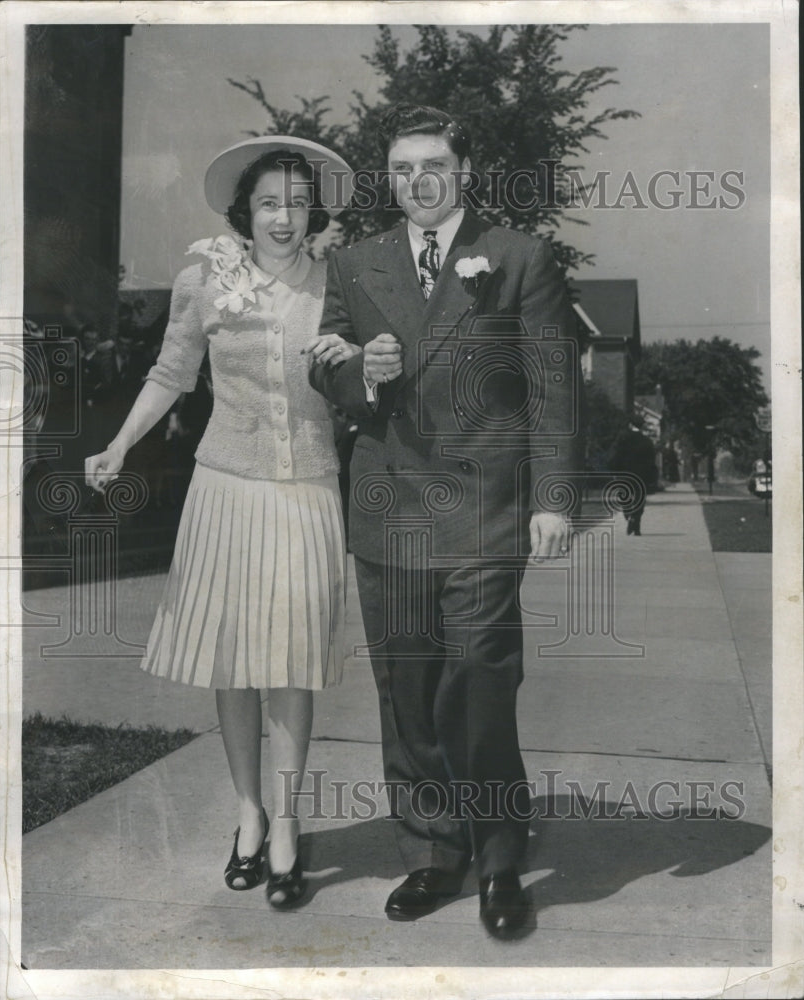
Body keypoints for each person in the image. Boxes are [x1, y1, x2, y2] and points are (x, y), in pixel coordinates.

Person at [309, 103, 582, 938]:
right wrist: (363, 370)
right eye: (400, 169)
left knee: (480, 683)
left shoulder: (518, 258)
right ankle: (432, 851)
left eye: (433, 164)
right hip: (389, 508)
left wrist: (553, 498)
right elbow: (328, 370)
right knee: (409, 691)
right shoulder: (354, 264)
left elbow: (551, 389)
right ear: (387, 179)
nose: (417, 181)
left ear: (462, 172)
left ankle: (500, 858)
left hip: (482, 511)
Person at [86, 135, 357, 908]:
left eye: (298, 203)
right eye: (269, 202)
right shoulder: (204, 276)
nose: (283, 217)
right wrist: (118, 444)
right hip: (226, 485)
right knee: (235, 659)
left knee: (293, 659)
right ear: (245, 208)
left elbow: (367, 374)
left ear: (315, 212)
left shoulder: (338, 281)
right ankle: (247, 814)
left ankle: (288, 826)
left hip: (307, 485)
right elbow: (171, 372)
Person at [609, 421, 657, 535]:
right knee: (639, 497)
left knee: (624, 495)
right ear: (641, 426)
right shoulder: (646, 441)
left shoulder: (622, 440)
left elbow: (615, 456)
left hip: (624, 474)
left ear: (630, 425)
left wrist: (613, 469)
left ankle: (628, 513)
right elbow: (651, 460)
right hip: (641, 475)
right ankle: (636, 520)